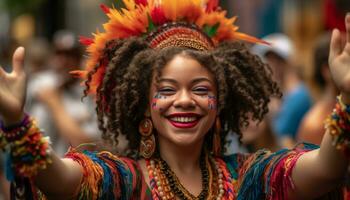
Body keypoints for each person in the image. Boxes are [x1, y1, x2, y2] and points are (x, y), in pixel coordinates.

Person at [0, 1, 349, 199]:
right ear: (143, 102)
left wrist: (347, 97)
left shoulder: (250, 177)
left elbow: (326, 169)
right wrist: (17, 123)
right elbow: (59, 180)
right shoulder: (123, 179)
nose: (184, 101)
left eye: (200, 89)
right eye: (166, 90)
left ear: (220, 101)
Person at [252, 33, 312, 148]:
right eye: (268, 59)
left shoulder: (299, 95)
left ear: (287, 62)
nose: (271, 65)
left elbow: (279, 133)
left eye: (278, 60)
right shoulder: (279, 94)